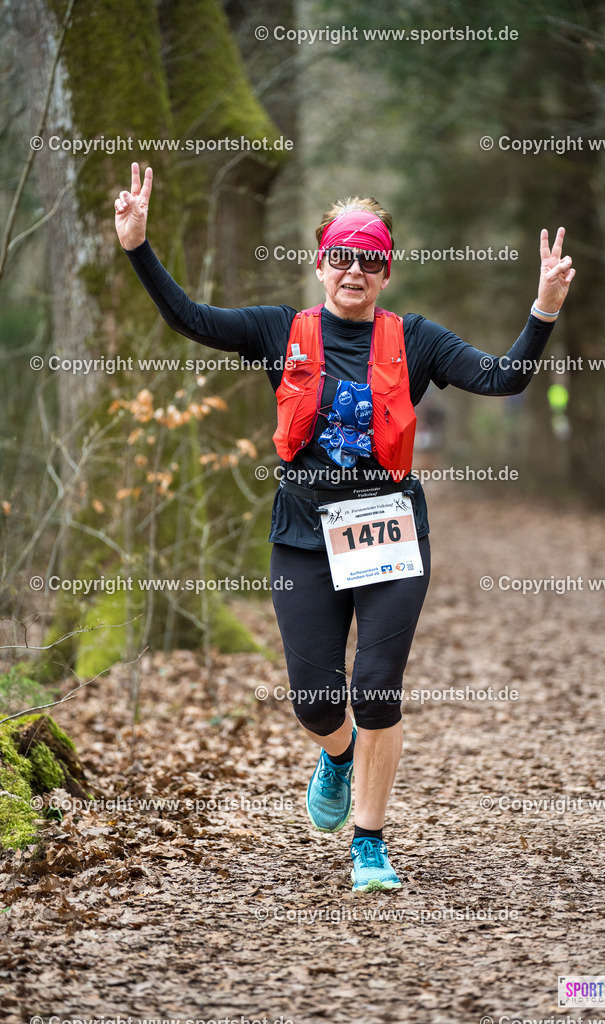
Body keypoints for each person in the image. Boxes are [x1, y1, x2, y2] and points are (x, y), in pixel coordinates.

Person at [115, 162, 575, 893]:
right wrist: (139, 246)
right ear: (321, 263)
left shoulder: (417, 339)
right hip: (303, 536)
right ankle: (336, 754)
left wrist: (542, 311)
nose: (353, 269)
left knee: (377, 688)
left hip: (388, 530)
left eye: (368, 258)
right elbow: (191, 318)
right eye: (341, 256)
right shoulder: (280, 330)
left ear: (386, 271)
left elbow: (502, 377)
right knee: (315, 699)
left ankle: (369, 843)